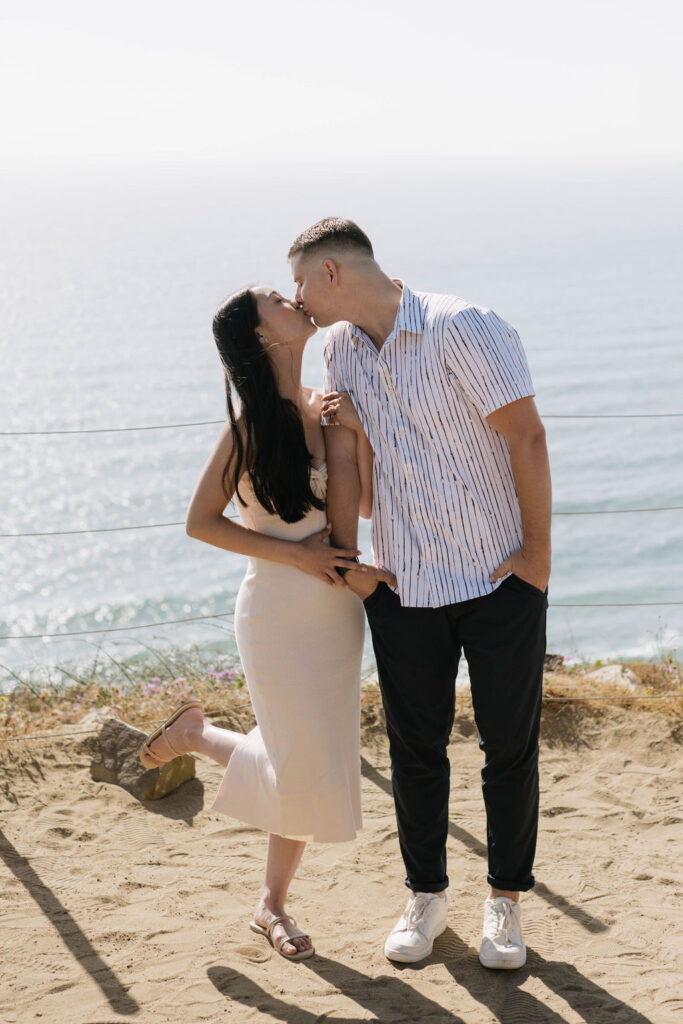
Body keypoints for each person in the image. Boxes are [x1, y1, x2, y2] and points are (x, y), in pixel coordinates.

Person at [289, 218, 552, 969]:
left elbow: (525, 438)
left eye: (304, 283)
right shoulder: (339, 350)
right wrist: (355, 563)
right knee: (414, 750)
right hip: (402, 583)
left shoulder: (462, 325)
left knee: (507, 746)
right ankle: (425, 895)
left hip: (499, 577)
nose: (301, 300)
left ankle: (503, 903)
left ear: (333, 273)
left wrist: (534, 559)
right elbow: (363, 481)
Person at [139, 286, 394, 961]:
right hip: (276, 613)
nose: (293, 298)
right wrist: (297, 555)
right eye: (277, 299)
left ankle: (197, 737)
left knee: (314, 762)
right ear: (261, 336)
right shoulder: (249, 427)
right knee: (301, 761)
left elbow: (362, 508)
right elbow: (200, 522)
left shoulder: (327, 404)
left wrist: (359, 435)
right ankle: (272, 906)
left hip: (336, 614)